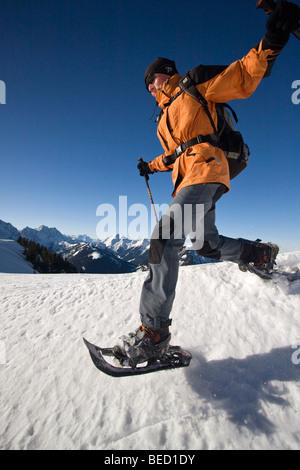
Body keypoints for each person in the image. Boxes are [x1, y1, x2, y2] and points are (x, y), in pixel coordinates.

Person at [113, 1, 300, 367]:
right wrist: (149, 166)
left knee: (164, 236)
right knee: (205, 243)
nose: (150, 91)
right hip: (189, 177)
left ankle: (153, 334)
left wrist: (272, 40)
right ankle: (258, 255)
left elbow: (242, 76)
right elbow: (174, 156)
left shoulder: (192, 85)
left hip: (207, 171)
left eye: (150, 83)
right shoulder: (163, 120)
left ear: (160, 76)